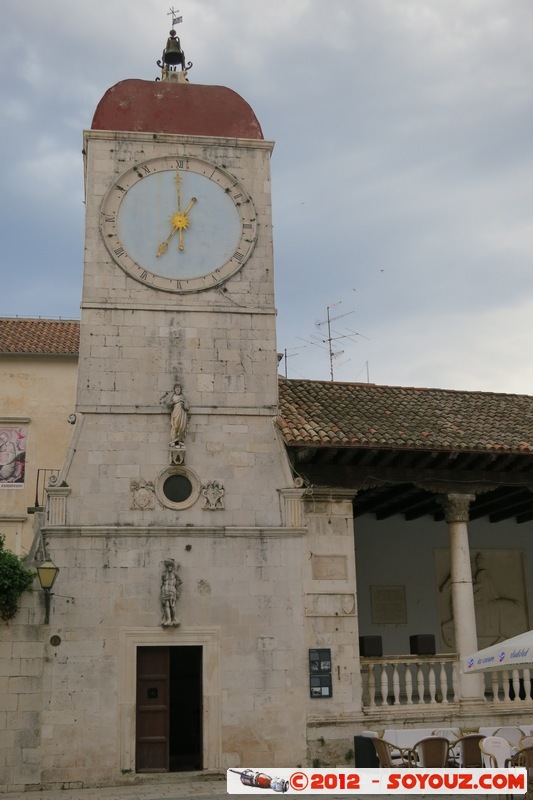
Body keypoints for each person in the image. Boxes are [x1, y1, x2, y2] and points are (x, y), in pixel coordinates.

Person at [160, 559, 182, 627]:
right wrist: (162, 591)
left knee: (172, 605)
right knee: (166, 605)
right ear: (167, 567)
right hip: (165, 591)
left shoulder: (174, 573)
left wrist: (175, 587)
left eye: (172, 566)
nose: (170, 567)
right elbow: (162, 583)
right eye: (169, 566)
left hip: (172, 591)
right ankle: (168, 619)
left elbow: (180, 581)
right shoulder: (164, 574)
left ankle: (175, 618)